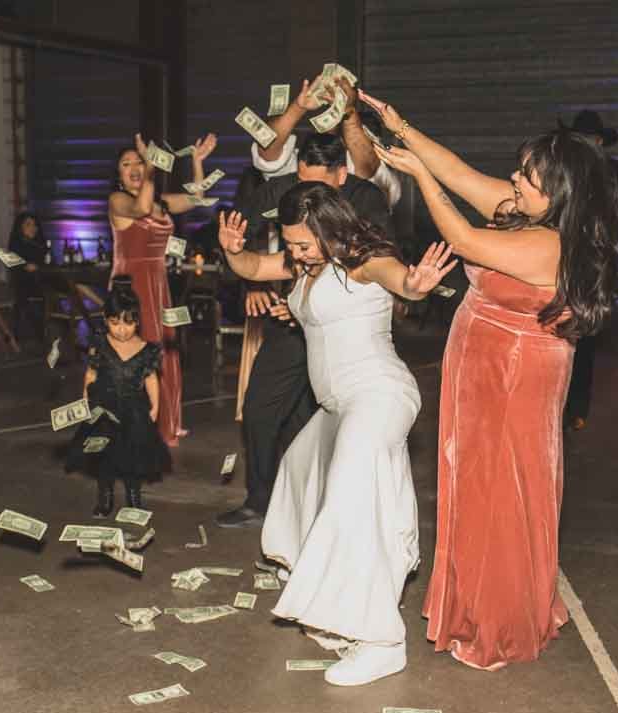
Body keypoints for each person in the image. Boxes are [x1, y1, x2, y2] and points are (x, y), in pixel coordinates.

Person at [364, 91, 618, 670]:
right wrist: (402, 126)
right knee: (473, 486)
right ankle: (479, 605)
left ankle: (498, 624)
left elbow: (463, 239)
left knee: (500, 492)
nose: (512, 180)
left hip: (513, 377)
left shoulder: (548, 243)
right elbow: (458, 172)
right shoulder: (525, 211)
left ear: (556, 192)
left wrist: (416, 179)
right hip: (482, 365)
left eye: (525, 177)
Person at [217, 183, 457, 686]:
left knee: (352, 501)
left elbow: (403, 282)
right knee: (298, 470)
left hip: (377, 394)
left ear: (329, 230)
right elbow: (253, 269)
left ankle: (380, 642)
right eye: (291, 245)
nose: (294, 253)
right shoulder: (307, 265)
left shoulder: (363, 261)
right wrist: (233, 251)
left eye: (303, 243)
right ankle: (316, 576)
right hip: (338, 405)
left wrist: (419, 283)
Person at [216, 133, 392, 528]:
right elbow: (251, 252)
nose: (305, 194)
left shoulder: (368, 200)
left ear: (341, 175)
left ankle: (320, 506)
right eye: (300, 181)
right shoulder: (285, 191)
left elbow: (384, 266)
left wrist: (413, 286)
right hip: (292, 319)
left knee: (317, 421)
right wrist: (241, 263)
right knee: (260, 406)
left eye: (318, 185)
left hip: (341, 332)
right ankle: (261, 500)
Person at [108, 131, 218, 447]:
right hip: (131, 284)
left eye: (138, 162)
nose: (134, 167)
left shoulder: (161, 201)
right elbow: (141, 209)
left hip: (157, 283)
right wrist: (152, 168)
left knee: (164, 350)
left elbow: (197, 198)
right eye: (126, 164)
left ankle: (165, 424)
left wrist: (197, 163)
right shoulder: (118, 200)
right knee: (134, 353)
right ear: (118, 174)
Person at [64, 284, 170, 515]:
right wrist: (85, 401)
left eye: (128, 323)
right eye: (115, 323)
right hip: (103, 409)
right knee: (104, 457)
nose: (122, 330)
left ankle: (134, 498)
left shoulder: (146, 349)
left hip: (133, 411)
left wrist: (155, 406)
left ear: (137, 321)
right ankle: (105, 498)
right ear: (105, 319)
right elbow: (91, 374)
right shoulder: (100, 345)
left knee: (132, 458)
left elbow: (151, 379)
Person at [561, 109, 618, 431]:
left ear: (600, 141)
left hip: (593, 263)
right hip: (562, 259)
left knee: (584, 339)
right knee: (558, 334)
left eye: (589, 139)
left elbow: (612, 217)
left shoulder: (615, 172)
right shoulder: (566, 169)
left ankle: (577, 407)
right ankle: (558, 404)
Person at [252, 75, 401, 209]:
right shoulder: (303, 166)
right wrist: (299, 107)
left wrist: (348, 111)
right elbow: (268, 148)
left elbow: (367, 166)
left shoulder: (385, 184)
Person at [7, 211, 49, 345]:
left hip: (43, 282)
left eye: (35, 225)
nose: (33, 228)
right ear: (20, 227)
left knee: (71, 284)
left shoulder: (40, 244)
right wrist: (27, 266)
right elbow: (19, 266)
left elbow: (46, 263)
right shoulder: (17, 244)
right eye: (28, 225)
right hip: (26, 286)